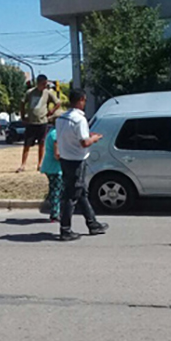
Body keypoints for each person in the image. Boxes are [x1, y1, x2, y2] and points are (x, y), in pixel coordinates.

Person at [56, 89, 109, 241]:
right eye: (84, 101)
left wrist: (88, 137)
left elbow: (69, 136)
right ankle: (65, 230)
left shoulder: (61, 119)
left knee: (80, 193)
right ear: (80, 100)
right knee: (72, 196)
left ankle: (92, 224)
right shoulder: (79, 119)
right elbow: (84, 142)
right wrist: (95, 138)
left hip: (65, 159)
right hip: (76, 161)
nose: (84, 104)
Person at [17, 75, 60, 173]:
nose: (45, 86)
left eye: (46, 84)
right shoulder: (30, 92)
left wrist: (51, 111)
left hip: (42, 122)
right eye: (43, 84)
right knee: (27, 144)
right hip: (31, 122)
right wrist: (23, 116)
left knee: (41, 144)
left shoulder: (48, 93)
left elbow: (57, 103)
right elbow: (22, 103)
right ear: (38, 83)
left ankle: (39, 164)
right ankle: (23, 165)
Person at [40, 116, 62, 222]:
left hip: (49, 165)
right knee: (57, 190)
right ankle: (55, 213)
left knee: (54, 188)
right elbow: (57, 154)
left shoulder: (51, 132)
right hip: (55, 167)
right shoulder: (56, 135)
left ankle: (54, 208)